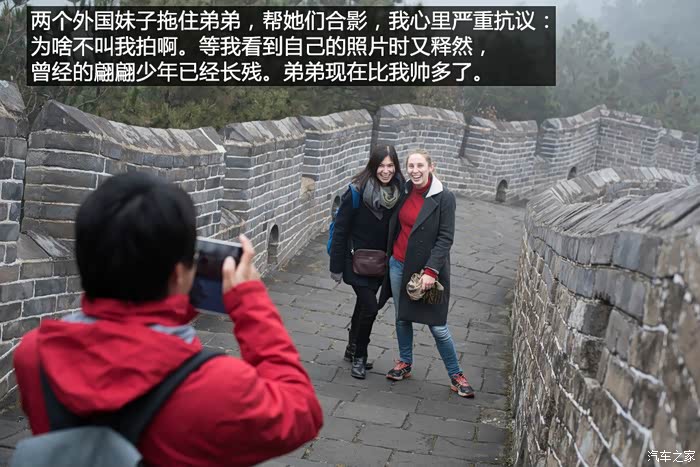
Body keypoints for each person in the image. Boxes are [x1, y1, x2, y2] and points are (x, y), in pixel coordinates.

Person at [12, 172, 323, 466]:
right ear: (178, 274)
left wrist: (170, 307)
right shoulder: (217, 387)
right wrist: (250, 303)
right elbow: (302, 411)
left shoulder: (35, 354)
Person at [378, 149, 475, 398]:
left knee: (437, 326)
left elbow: (445, 238)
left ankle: (456, 375)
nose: (415, 171)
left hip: (428, 270)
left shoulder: (444, 197)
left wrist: (431, 271)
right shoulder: (404, 190)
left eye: (420, 165)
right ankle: (405, 362)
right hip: (399, 264)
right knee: (402, 317)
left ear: (431, 167)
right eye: (411, 166)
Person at [329, 145, 404, 379]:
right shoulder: (356, 192)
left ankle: (351, 348)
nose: (386, 170)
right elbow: (340, 230)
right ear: (373, 166)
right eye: (381, 165)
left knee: (363, 306)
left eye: (390, 165)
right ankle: (360, 356)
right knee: (371, 307)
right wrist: (336, 267)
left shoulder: (399, 193)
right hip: (354, 261)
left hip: (380, 264)